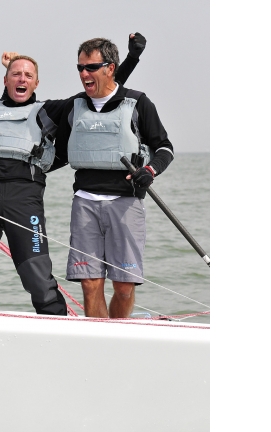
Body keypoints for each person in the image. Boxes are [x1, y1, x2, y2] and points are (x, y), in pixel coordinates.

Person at [0, 6, 146, 315]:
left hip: (23, 198)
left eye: (28, 75)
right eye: (16, 74)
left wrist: (130, 59)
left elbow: (98, 91)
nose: (21, 79)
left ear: (36, 83)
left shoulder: (49, 111)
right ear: (6, 80)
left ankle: (56, 322)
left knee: (36, 275)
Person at [53, 37, 174, 318]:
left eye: (91, 67)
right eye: (80, 68)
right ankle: (99, 347)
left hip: (125, 203)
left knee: (123, 287)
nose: (84, 74)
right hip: (84, 202)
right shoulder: (74, 106)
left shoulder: (138, 103)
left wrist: (149, 170)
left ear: (110, 68)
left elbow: (164, 148)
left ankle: (119, 339)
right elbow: (57, 153)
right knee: (90, 283)